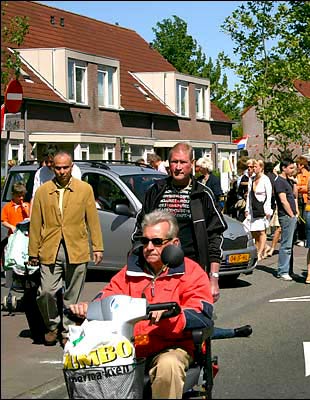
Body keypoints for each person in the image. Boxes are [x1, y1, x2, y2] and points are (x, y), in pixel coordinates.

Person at [69, 210, 214, 399]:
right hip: (128, 347)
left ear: (174, 243)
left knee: (168, 365)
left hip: (172, 346)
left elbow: (202, 313)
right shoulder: (130, 272)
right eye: (145, 241)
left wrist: (174, 313)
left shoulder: (191, 273)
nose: (149, 247)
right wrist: (89, 308)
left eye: (157, 241)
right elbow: (108, 295)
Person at [133, 142, 252, 339]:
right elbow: (139, 232)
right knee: (157, 322)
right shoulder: (156, 192)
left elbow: (214, 237)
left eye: (182, 162)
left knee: (192, 322)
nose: (178, 167)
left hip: (193, 268)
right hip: (158, 270)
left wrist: (213, 278)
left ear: (193, 164)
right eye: (173, 162)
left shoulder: (202, 195)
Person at [28, 151, 104, 346]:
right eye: (58, 167)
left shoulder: (84, 189)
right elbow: (35, 223)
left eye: (65, 167)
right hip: (50, 247)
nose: (62, 171)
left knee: (72, 294)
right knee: (46, 292)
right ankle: (51, 325)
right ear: (52, 168)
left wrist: (97, 247)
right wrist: (32, 252)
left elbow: (92, 221)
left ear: (72, 167)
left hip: (76, 247)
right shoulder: (43, 192)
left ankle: (67, 329)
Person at [273, 158, 298, 281]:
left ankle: (288, 268)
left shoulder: (288, 180)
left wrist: (294, 183)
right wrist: (291, 214)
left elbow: (294, 196)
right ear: (283, 168)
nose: (293, 170)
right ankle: (283, 270)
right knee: (286, 245)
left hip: (292, 214)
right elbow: (283, 200)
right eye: (291, 168)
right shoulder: (279, 182)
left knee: (290, 244)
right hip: (286, 215)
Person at [245, 159, 273, 261]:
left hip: (262, 208)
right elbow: (249, 195)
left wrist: (268, 209)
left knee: (261, 231)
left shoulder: (265, 179)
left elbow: (269, 195)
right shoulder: (251, 179)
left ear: (261, 168)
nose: (253, 169)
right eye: (253, 167)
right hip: (253, 208)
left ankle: (259, 252)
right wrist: (247, 208)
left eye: (256, 167)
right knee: (253, 231)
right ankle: (263, 247)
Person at [294, 156, 310, 245]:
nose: (296, 166)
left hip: (306, 199)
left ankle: (306, 238)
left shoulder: (309, 175)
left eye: (297, 164)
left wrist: (299, 188)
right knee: (299, 219)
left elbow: (309, 187)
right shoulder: (297, 175)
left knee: (305, 219)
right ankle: (300, 238)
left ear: (302, 165)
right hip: (299, 199)